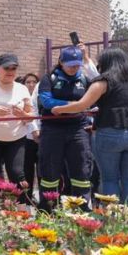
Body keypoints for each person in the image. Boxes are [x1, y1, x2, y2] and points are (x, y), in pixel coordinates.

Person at [52, 48, 128, 204]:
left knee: (110, 179)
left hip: (110, 133)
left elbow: (82, 104)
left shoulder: (103, 81)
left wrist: (58, 109)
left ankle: (112, 219)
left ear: (105, 63)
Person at [36, 46, 93, 211]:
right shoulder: (49, 78)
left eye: (77, 64)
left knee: (81, 168)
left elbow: (92, 101)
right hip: (52, 130)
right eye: (70, 65)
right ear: (61, 62)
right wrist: (75, 105)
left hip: (78, 129)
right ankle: (48, 208)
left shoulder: (84, 79)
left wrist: (70, 107)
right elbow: (47, 102)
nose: (74, 68)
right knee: (50, 170)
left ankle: (81, 208)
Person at [0, 53, 35, 197]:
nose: (10, 72)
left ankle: (20, 207)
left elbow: (31, 117)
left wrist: (21, 114)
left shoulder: (22, 88)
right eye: (6, 68)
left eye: (13, 68)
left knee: (17, 173)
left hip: (17, 137)